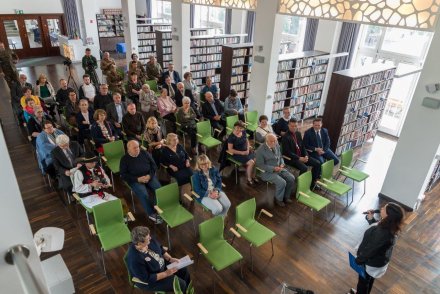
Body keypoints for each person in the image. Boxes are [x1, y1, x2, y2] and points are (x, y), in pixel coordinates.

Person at [351, 203, 405, 294]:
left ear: (388, 215)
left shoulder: (383, 233)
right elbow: (377, 228)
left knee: (363, 282)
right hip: (378, 261)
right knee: (368, 280)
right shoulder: (390, 226)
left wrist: (358, 260)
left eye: (384, 208)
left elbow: (370, 250)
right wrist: (371, 218)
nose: (381, 208)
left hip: (370, 263)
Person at [126, 226, 191, 292]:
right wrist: (166, 273)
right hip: (153, 280)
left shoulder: (150, 240)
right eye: (148, 238)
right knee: (181, 284)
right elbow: (146, 278)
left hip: (161, 266)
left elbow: (160, 248)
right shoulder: (134, 259)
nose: (150, 238)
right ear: (140, 243)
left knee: (184, 270)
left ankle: (188, 291)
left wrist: (170, 259)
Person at [120, 140, 162, 223]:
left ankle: (157, 206)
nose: (137, 149)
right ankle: (151, 213)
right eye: (134, 148)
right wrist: (137, 179)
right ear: (128, 149)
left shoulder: (145, 153)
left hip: (148, 176)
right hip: (135, 179)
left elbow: (154, 166)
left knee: (159, 189)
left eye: (138, 147)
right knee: (143, 194)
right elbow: (123, 175)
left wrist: (149, 176)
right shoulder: (124, 159)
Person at [255, 133, 295, 207]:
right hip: (267, 172)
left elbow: (280, 157)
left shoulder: (276, 145)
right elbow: (260, 165)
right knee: (282, 182)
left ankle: (286, 197)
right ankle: (278, 199)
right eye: (271, 141)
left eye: (275, 141)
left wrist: (282, 164)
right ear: (266, 141)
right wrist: (273, 168)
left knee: (291, 178)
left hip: (279, 168)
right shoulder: (260, 150)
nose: (274, 143)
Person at [282, 118, 321, 187]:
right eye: (292, 126)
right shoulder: (285, 136)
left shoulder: (298, 133)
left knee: (317, 163)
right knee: (304, 168)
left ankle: (313, 183)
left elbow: (302, 146)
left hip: (302, 156)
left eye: (295, 126)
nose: (294, 128)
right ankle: (300, 187)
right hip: (292, 158)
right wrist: (299, 158)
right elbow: (287, 152)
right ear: (288, 125)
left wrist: (306, 155)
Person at [227, 121, 257, 185]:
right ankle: (249, 179)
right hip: (238, 154)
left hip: (246, 151)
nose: (239, 129)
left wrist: (248, 149)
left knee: (255, 159)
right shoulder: (231, 137)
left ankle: (253, 176)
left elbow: (246, 140)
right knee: (251, 162)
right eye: (238, 127)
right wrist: (242, 153)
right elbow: (230, 149)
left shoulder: (243, 132)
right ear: (234, 127)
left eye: (241, 128)